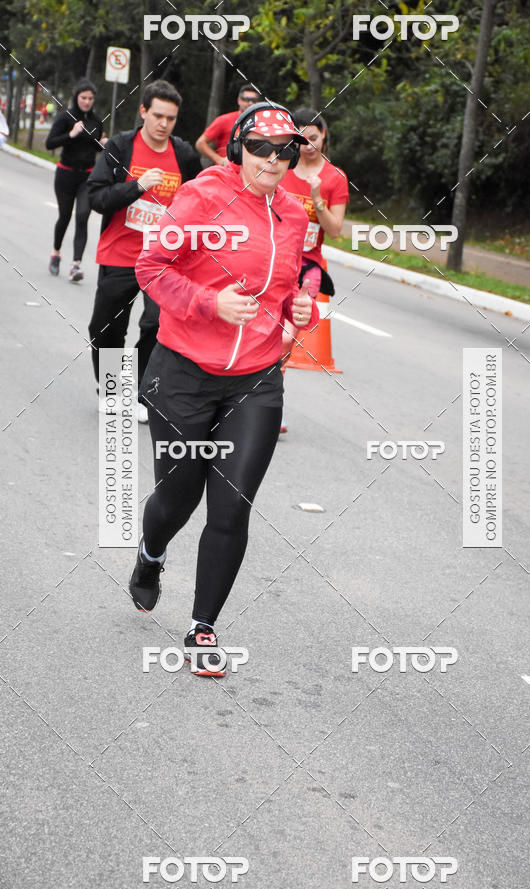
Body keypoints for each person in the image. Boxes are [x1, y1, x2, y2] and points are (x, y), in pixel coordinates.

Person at [131, 102, 317, 676]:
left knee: (232, 504)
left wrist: (300, 306)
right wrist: (210, 302)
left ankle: (202, 628)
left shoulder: (292, 211)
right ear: (238, 147)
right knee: (178, 497)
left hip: (256, 378)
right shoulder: (201, 197)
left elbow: (289, 282)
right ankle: (150, 555)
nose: (272, 159)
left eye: (285, 150)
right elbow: (152, 268)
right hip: (184, 371)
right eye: (261, 148)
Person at [87, 80, 200, 421]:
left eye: (171, 118)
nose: (164, 124)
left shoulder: (184, 155)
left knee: (156, 324)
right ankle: (109, 389)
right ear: (143, 112)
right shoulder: (121, 147)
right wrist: (136, 187)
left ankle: (136, 389)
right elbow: (96, 198)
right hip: (120, 253)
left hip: (164, 260)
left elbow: (199, 199)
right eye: (158, 116)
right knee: (106, 327)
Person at [278, 108, 349, 432]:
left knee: (285, 337)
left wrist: (318, 198)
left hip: (309, 267)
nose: (307, 145)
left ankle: (270, 409)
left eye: (314, 138)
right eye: (302, 138)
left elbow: (334, 230)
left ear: (324, 136)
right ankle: (256, 403)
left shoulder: (334, 178)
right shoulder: (282, 165)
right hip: (275, 261)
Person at [45, 78, 105, 282]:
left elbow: (96, 147)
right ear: (76, 97)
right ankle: (56, 253)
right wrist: (70, 135)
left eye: (90, 98)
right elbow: (49, 144)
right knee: (65, 217)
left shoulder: (97, 121)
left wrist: (103, 143)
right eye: (83, 97)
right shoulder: (65, 118)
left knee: (82, 217)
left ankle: (76, 265)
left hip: (87, 176)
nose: (87, 102)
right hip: (65, 174)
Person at [195, 84, 260, 166]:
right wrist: (219, 160)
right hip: (225, 171)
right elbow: (200, 143)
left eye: (254, 100)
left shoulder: (261, 123)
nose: (250, 103)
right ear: (239, 100)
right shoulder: (224, 120)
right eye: (246, 99)